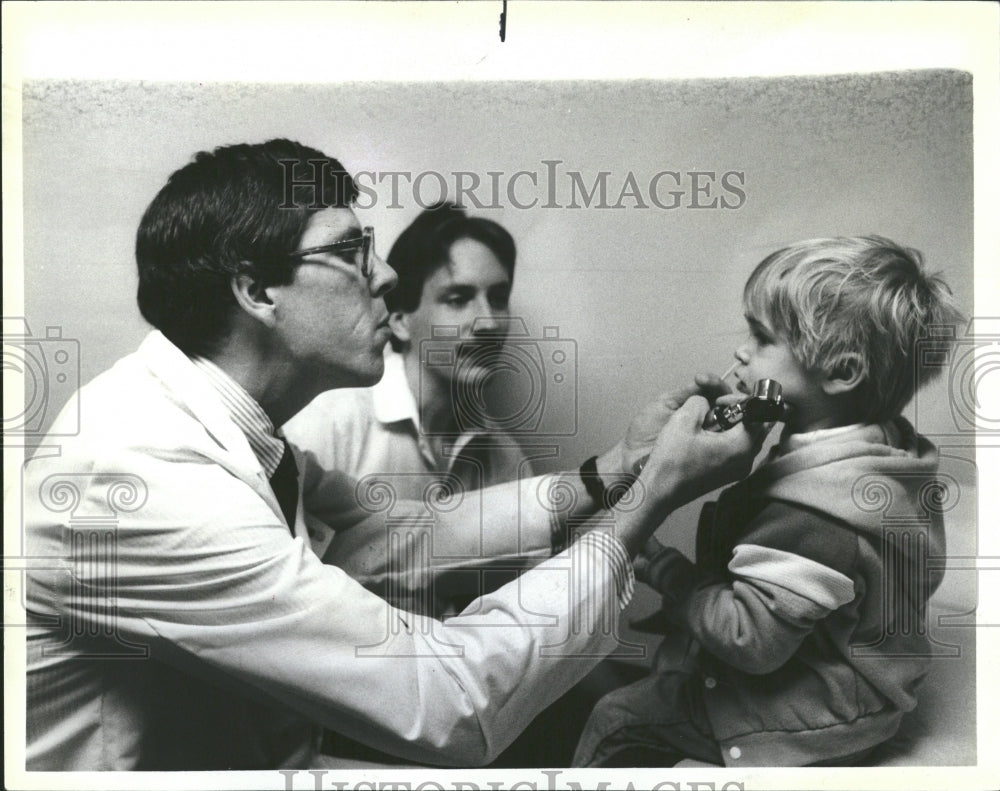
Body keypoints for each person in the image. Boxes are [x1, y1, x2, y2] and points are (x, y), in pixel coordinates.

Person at [23, 138, 764, 770]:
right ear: (256, 290)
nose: (383, 278)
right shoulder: (143, 473)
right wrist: (652, 496)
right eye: (350, 251)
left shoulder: (226, 428)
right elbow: (448, 701)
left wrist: (616, 468)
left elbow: (372, 538)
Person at [572, 236, 962, 768]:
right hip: (865, 686)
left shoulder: (818, 515)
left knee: (616, 717)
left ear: (841, 373)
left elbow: (750, 641)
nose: (742, 352)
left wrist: (665, 570)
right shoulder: (881, 450)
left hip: (820, 713)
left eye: (761, 338)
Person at [284, 202, 532, 617]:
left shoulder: (506, 459)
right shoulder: (331, 420)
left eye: (499, 298)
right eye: (458, 299)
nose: (489, 323)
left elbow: (533, 607)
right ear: (399, 321)